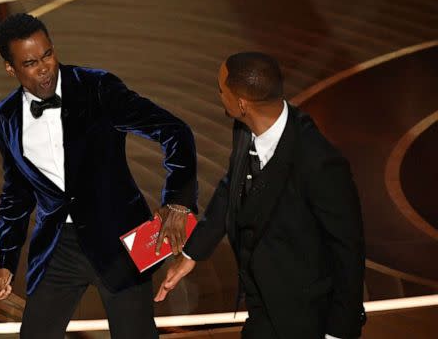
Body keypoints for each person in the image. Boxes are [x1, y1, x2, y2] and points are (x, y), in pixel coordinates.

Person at [0, 13, 197, 339]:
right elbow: (16, 193)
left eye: (48, 54)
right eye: (30, 62)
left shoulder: (97, 87)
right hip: (57, 248)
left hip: (120, 243)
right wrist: (4, 260)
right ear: (10, 68)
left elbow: (174, 131)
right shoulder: (4, 116)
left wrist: (178, 202)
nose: (44, 67)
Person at [155, 52, 366, 339]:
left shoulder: (319, 163)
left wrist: (338, 334)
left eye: (221, 90)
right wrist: (192, 253)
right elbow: (232, 186)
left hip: (306, 318)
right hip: (263, 309)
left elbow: (348, 252)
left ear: (242, 104)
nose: (218, 94)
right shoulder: (245, 128)